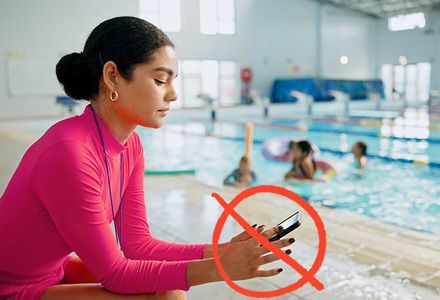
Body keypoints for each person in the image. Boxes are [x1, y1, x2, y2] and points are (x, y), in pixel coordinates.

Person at [0, 17, 294, 300]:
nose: (173, 95)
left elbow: (139, 246)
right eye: (160, 80)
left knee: (167, 289)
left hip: (53, 272)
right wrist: (221, 268)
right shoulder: (70, 152)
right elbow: (116, 273)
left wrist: (221, 250)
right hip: (10, 287)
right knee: (166, 297)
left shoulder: (130, 146)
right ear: (113, 76)